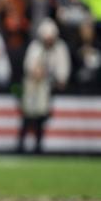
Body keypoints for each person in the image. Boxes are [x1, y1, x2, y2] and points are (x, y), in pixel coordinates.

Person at [18, 18, 70, 154]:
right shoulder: (35, 47)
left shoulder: (60, 48)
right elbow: (29, 66)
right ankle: (21, 145)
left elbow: (62, 70)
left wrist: (58, 79)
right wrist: (36, 71)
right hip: (32, 85)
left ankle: (38, 145)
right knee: (28, 115)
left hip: (47, 86)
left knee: (41, 115)